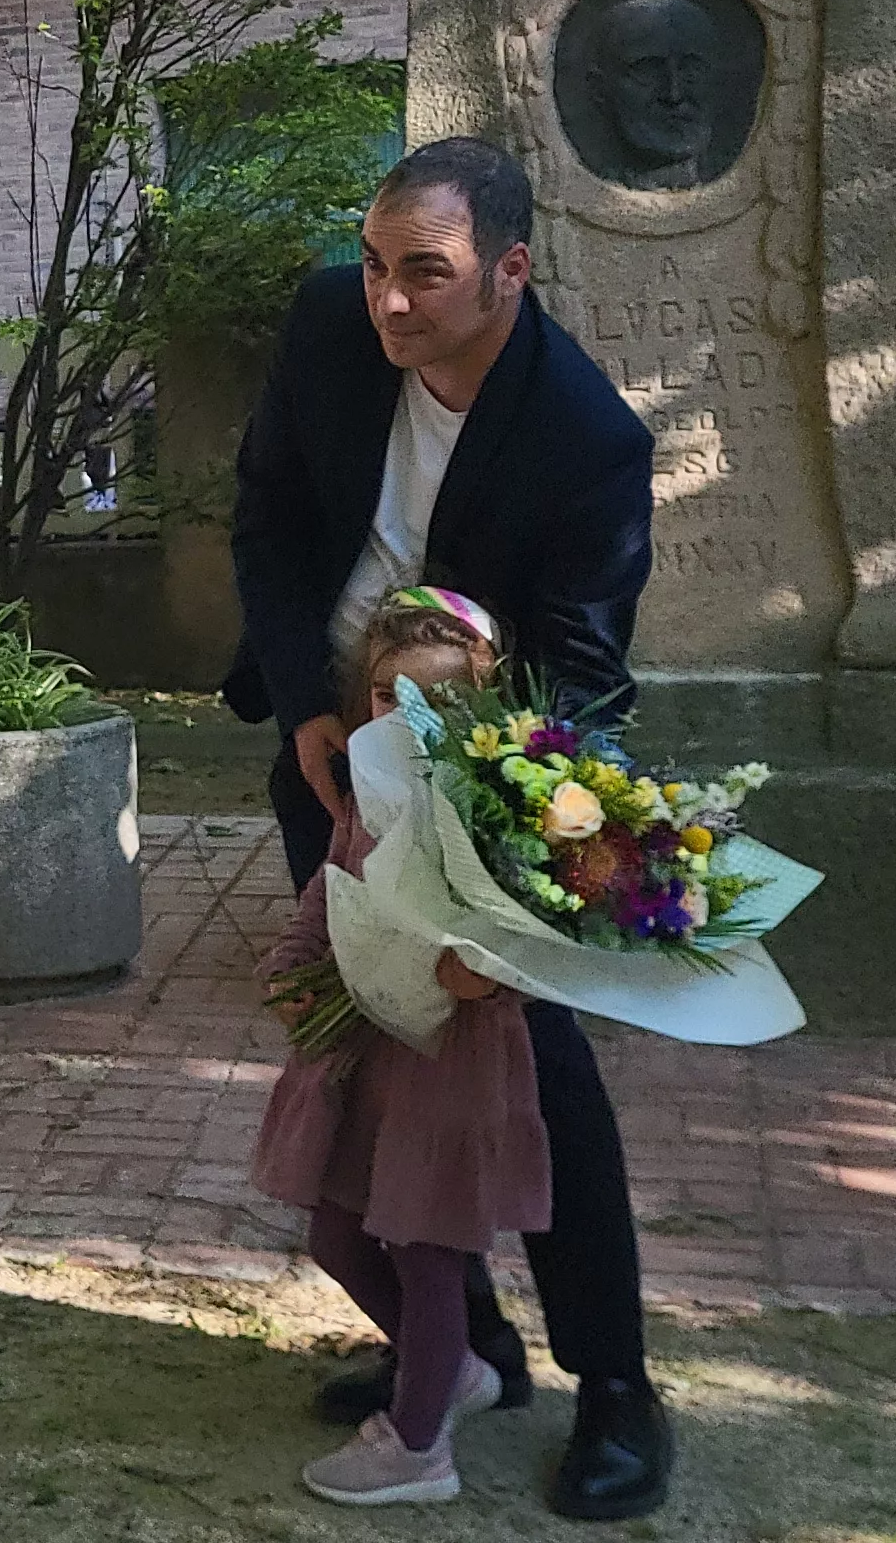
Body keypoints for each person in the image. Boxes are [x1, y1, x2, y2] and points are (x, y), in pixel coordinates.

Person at [224, 135, 674, 1521]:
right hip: (331, 757)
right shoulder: (327, 328)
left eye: (426, 274)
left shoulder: (586, 440)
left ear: (511, 272)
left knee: (533, 1066)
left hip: (488, 786)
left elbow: (584, 680)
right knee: (367, 1053)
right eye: (374, 264)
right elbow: (270, 525)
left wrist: (511, 871)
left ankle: (616, 1388)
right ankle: (460, 1346)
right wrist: (309, 706)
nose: (389, 303)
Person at [256, 592, 549, 1509]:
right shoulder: (369, 789)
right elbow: (335, 879)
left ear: (486, 697)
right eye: (389, 695)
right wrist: (296, 965)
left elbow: (532, 932)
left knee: (426, 1245)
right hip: (363, 1049)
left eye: (441, 696)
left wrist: (485, 973)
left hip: (447, 1066)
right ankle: (450, 1368)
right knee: (338, 1229)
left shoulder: (500, 804)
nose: (410, 716)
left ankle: (419, 1445)